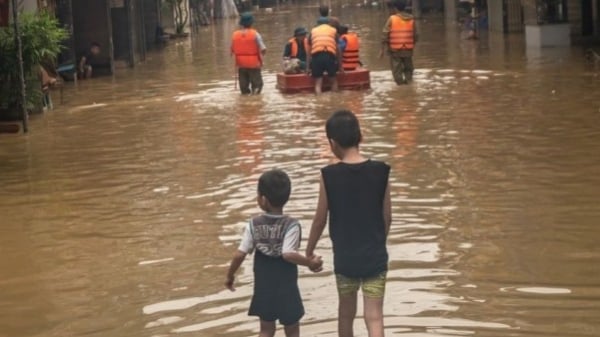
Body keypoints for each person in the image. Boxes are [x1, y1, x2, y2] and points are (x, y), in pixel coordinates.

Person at [306, 110, 392, 337]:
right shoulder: (381, 172)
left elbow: (319, 219)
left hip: (346, 258)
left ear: (332, 143)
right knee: (374, 316)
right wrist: (378, 243)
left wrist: (309, 251)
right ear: (360, 136)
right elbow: (387, 216)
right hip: (374, 256)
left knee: (346, 313)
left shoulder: (329, 176)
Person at [225, 169, 323, 337]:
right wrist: (310, 263)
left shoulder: (253, 224)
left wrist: (230, 275)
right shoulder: (291, 225)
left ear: (263, 200)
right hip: (287, 288)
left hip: (264, 287)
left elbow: (240, 254)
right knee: (292, 330)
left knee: (266, 330)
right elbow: (288, 254)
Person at [379, 0, 417, 85]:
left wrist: (382, 49)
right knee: (409, 69)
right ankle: (408, 86)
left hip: (395, 50)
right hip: (408, 50)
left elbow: (385, 34)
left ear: (395, 8)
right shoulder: (412, 19)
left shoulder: (392, 19)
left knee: (396, 71)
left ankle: (401, 87)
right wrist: (412, 45)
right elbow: (415, 35)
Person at [231, 12, 267, 95]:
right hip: (253, 64)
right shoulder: (255, 34)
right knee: (257, 86)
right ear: (251, 23)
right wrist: (262, 58)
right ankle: (255, 102)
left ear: (241, 23)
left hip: (241, 64)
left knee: (244, 89)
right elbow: (263, 49)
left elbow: (232, 49)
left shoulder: (235, 35)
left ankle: (246, 103)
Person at [307, 18, 341, 94]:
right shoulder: (333, 30)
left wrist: (307, 68)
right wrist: (340, 67)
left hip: (316, 56)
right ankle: (335, 99)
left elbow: (309, 51)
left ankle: (319, 101)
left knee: (318, 83)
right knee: (333, 81)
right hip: (329, 55)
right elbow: (338, 50)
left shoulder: (313, 31)